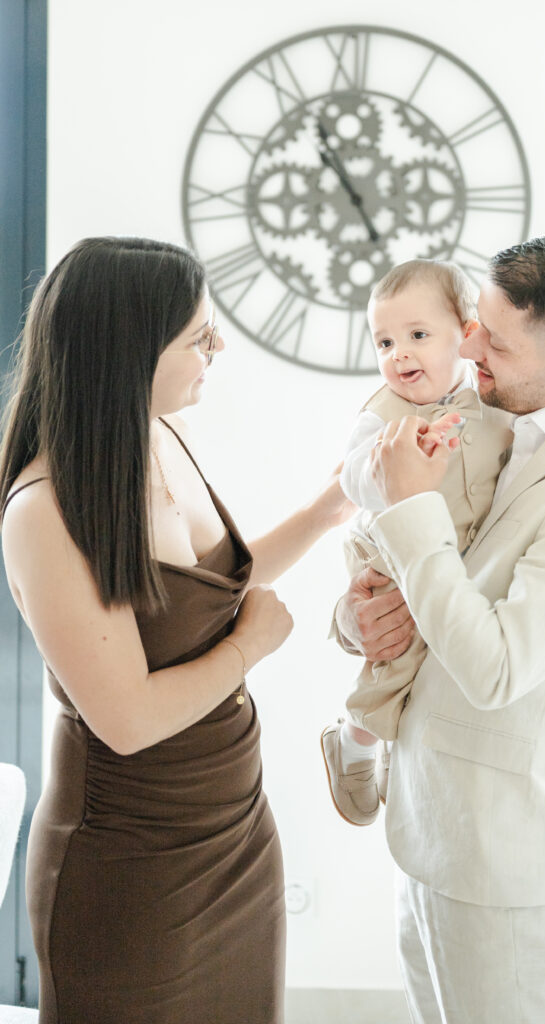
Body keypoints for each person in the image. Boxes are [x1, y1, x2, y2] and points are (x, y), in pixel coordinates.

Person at [0, 236, 351, 1024]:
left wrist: (328, 509)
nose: (217, 348)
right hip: (129, 861)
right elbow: (126, 721)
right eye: (199, 336)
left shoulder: (158, 436)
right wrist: (250, 647)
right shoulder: (45, 510)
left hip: (234, 830)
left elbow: (209, 592)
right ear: (130, 353)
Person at [333, 234, 545, 1023]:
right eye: (474, 324)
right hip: (430, 822)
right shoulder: (493, 412)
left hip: (501, 852)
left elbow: (494, 670)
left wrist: (409, 505)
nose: (467, 346)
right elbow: (436, 579)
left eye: (494, 339)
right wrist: (355, 619)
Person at [321, 259, 511, 825]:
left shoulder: (492, 405)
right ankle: (356, 739)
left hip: (455, 551)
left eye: (418, 336)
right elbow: (352, 481)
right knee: (397, 652)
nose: (398, 354)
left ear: (467, 335)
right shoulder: (382, 415)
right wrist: (394, 463)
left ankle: (392, 745)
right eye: (384, 342)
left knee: (446, 650)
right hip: (388, 554)